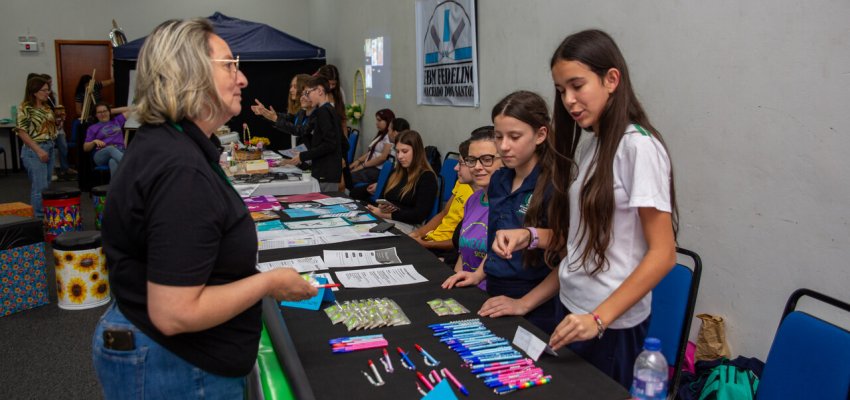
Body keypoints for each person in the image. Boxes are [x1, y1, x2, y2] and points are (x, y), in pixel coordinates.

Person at [93, 18, 316, 399]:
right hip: (177, 365)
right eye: (230, 65)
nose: (242, 78)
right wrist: (270, 282)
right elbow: (175, 312)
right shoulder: (179, 167)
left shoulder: (170, 145)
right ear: (189, 73)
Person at [483, 30, 679, 388]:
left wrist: (599, 319)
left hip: (609, 326)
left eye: (577, 85)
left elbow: (664, 253)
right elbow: (578, 248)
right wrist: (529, 242)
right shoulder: (591, 146)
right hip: (571, 310)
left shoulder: (640, 148)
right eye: (561, 90)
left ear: (611, 79)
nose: (569, 100)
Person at [475, 90, 564, 335]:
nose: (503, 146)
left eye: (514, 137)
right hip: (494, 290)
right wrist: (478, 274)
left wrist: (523, 304)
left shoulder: (555, 187)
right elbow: (497, 239)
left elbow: (567, 259)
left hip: (536, 304)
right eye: (498, 136)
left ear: (540, 135)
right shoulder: (499, 179)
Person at [409, 127, 483, 264]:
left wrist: (425, 244)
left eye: (461, 163)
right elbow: (444, 213)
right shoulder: (462, 184)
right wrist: (418, 234)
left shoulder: (480, 200)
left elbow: (461, 243)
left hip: (443, 249)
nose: (455, 168)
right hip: (432, 241)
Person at [441, 127, 502, 291]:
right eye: (472, 160)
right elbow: (463, 255)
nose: (477, 166)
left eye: (487, 159)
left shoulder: (510, 206)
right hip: (467, 290)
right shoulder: (473, 200)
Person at [273, 76, 343, 192]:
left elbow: (330, 144)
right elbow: (338, 142)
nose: (307, 96)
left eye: (308, 92)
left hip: (325, 171)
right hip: (327, 170)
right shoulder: (328, 110)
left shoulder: (323, 112)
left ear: (320, 91)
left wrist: (303, 156)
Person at [366, 130, 438, 233]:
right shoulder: (395, 172)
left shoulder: (427, 177)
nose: (399, 156)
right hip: (389, 219)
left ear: (417, 151)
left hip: (410, 226)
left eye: (404, 151)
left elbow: (418, 216)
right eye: (397, 151)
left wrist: (385, 214)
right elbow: (382, 197)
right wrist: (381, 206)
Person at [15, 75, 57, 218]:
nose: (47, 93)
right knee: (40, 187)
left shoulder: (46, 107)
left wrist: (59, 122)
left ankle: (45, 217)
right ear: (34, 91)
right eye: (44, 90)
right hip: (35, 149)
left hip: (49, 146)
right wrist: (39, 151)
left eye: (48, 90)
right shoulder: (25, 108)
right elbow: (22, 133)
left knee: (47, 184)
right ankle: (39, 220)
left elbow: (49, 129)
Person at [251, 73, 311, 148]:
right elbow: (289, 118)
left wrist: (275, 118)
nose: (291, 90)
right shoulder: (302, 111)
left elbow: (299, 130)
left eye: (295, 87)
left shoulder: (315, 111)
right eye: (291, 86)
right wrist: (266, 113)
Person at [83, 102, 131, 176]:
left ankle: (115, 187)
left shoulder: (116, 120)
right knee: (110, 148)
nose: (102, 114)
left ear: (109, 112)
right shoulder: (92, 128)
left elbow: (130, 109)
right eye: (99, 112)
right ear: (96, 115)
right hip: (101, 155)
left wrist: (110, 110)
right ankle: (132, 167)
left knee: (113, 162)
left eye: (105, 111)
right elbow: (85, 148)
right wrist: (94, 141)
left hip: (120, 151)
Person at [350, 108, 395, 185]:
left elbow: (382, 158)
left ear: (388, 121)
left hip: (377, 170)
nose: (376, 123)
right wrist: (358, 161)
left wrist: (363, 165)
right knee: (347, 173)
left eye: (379, 120)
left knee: (349, 177)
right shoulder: (381, 134)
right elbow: (371, 152)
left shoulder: (389, 137)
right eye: (377, 120)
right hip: (370, 167)